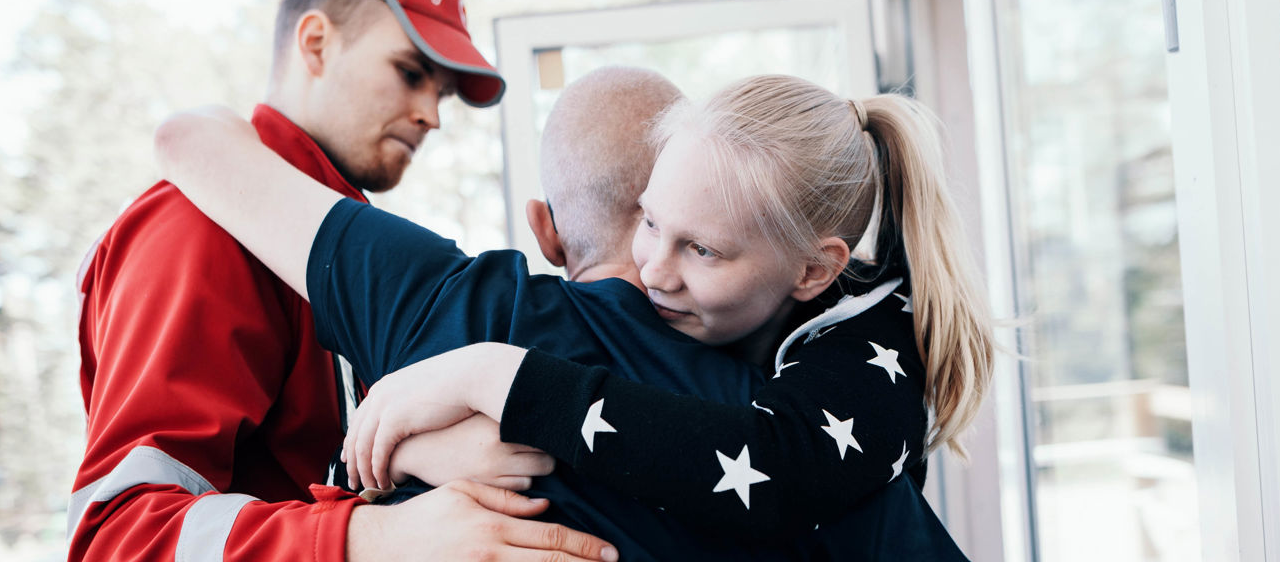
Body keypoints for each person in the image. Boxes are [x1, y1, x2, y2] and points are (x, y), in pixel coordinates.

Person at [153, 73, 988, 558]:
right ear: (656, 187)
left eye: (705, 251)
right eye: (655, 224)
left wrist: (479, 386)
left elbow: (189, 140)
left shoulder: (832, 424)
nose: (658, 270)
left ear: (812, 271)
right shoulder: (867, 506)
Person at [67, 0, 618, 560]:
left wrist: (399, 459)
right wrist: (381, 536)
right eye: (410, 73)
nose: (432, 112)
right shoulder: (199, 225)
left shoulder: (353, 255)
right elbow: (117, 536)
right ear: (316, 44)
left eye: (443, 93)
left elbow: (295, 466)